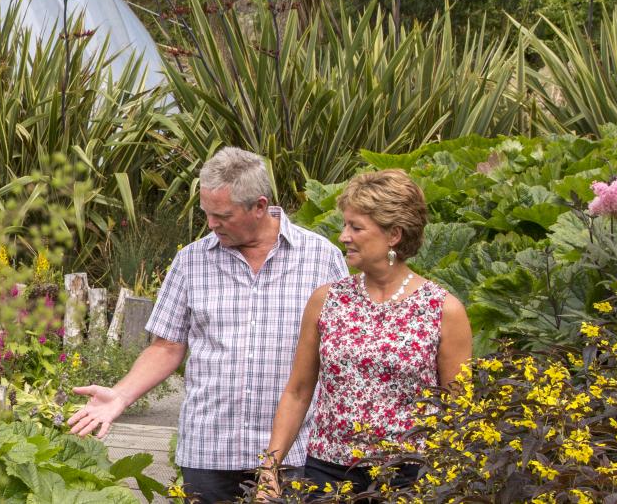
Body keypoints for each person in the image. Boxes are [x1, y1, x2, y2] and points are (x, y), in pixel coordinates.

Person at [67, 147, 348, 503]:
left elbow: (341, 351)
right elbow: (166, 346)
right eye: (206, 213)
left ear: (259, 206)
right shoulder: (191, 261)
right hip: (210, 451)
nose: (211, 224)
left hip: (294, 455)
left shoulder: (322, 257)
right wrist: (120, 396)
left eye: (223, 216)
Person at [255, 169, 472, 501]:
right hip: (327, 474)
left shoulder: (443, 310)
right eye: (345, 225)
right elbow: (298, 392)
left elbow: (457, 408)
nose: (343, 236)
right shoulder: (326, 301)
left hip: (407, 479)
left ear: (394, 235)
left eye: (356, 227)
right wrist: (270, 469)